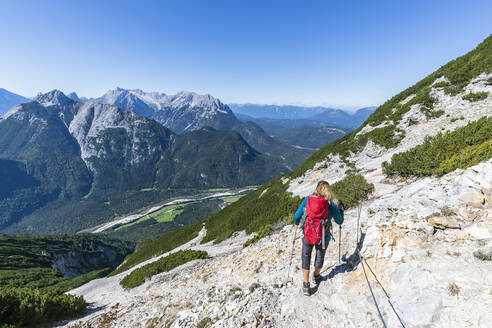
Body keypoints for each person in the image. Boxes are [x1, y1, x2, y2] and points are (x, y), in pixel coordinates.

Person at [294, 180, 344, 296]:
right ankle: (316, 276)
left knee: (306, 256)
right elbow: (339, 221)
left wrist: (298, 223)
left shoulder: (308, 200)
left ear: (316, 189)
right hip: (323, 236)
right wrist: (341, 209)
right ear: (328, 190)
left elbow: (297, 216)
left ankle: (306, 285)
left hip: (308, 234)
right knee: (320, 256)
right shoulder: (330, 204)